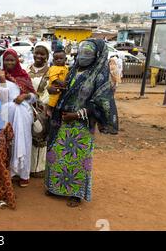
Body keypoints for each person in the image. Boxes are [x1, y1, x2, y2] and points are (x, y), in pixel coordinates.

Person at [45, 39, 118, 207]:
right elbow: (62, 91)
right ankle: (54, 187)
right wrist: (54, 90)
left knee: (76, 160)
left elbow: (100, 104)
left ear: (97, 56)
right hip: (61, 121)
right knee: (56, 156)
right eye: (82, 53)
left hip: (81, 125)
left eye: (88, 54)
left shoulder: (99, 76)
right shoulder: (72, 71)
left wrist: (77, 114)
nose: (83, 57)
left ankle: (75, 193)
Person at [0, 49, 37, 187]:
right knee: (8, 142)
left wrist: (24, 96)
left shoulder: (23, 75)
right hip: (6, 113)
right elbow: (2, 99)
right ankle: (10, 172)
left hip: (23, 114)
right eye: (6, 60)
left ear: (16, 61)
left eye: (12, 60)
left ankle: (23, 174)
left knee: (23, 141)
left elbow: (33, 97)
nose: (9, 62)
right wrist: (2, 81)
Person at [27, 42, 51, 178]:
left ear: (47, 56)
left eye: (42, 54)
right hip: (26, 107)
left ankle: (39, 168)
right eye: (37, 53)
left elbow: (50, 92)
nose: (38, 56)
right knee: (27, 138)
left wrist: (40, 104)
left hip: (42, 109)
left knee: (40, 136)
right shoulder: (26, 69)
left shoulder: (50, 72)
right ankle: (28, 167)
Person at [47, 49, 69, 116]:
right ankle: (49, 109)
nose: (58, 60)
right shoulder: (54, 68)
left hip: (62, 87)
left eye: (61, 58)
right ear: (53, 60)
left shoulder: (66, 67)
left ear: (65, 59)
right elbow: (53, 77)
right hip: (56, 86)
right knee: (54, 98)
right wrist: (60, 82)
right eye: (56, 59)